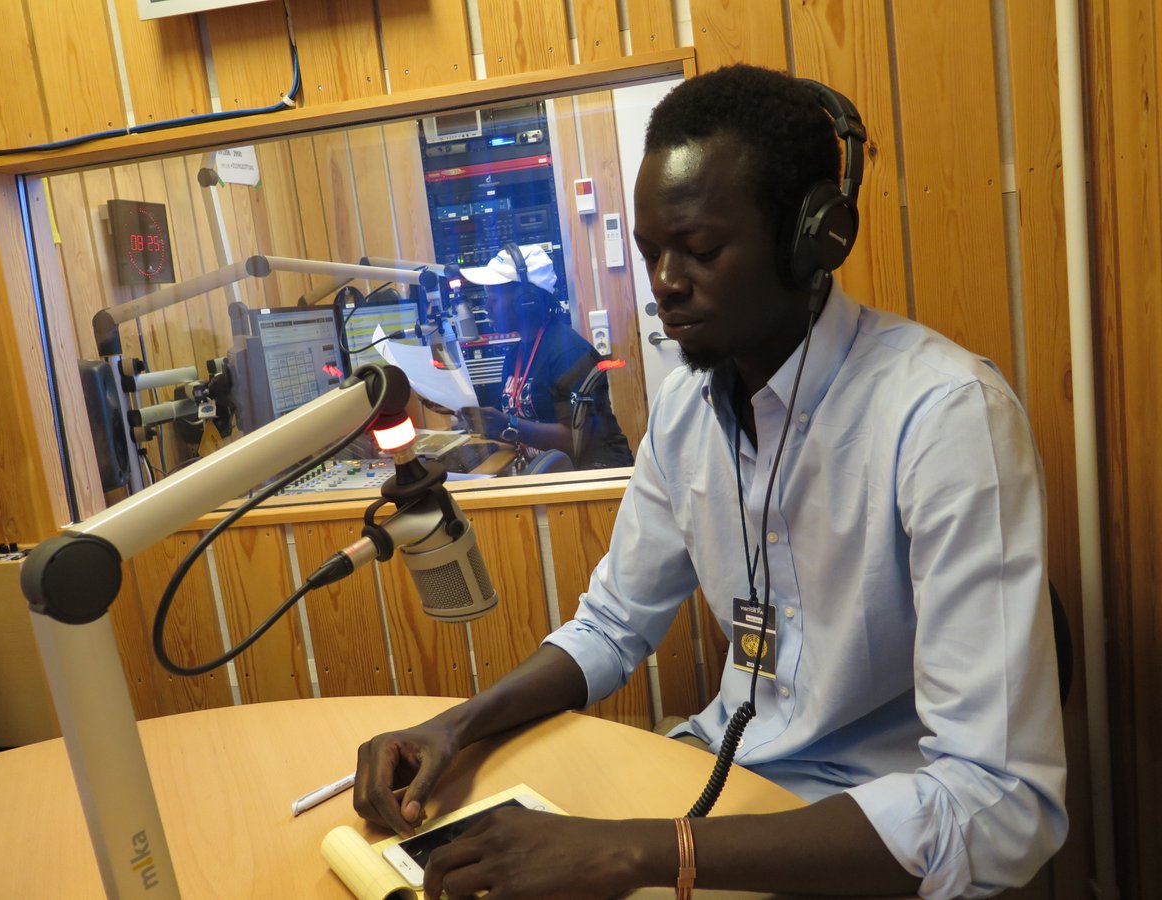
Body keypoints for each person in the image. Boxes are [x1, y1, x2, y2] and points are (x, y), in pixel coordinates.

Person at [353, 65, 1066, 899]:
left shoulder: (945, 417)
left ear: (811, 240)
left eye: (699, 251)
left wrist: (639, 854)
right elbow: (613, 625)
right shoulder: (686, 412)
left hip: (865, 843)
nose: (664, 283)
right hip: (716, 788)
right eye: (652, 253)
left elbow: (1000, 803)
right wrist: (455, 725)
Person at [457, 243, 633, 470]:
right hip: (550, 471)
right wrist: (473, 418)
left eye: (494, 298)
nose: (487, 307)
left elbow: (575, 440)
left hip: (594, 476)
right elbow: (518, 424)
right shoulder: (515, 356)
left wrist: (509, 424)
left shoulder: (570, 353)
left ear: (525, 301)